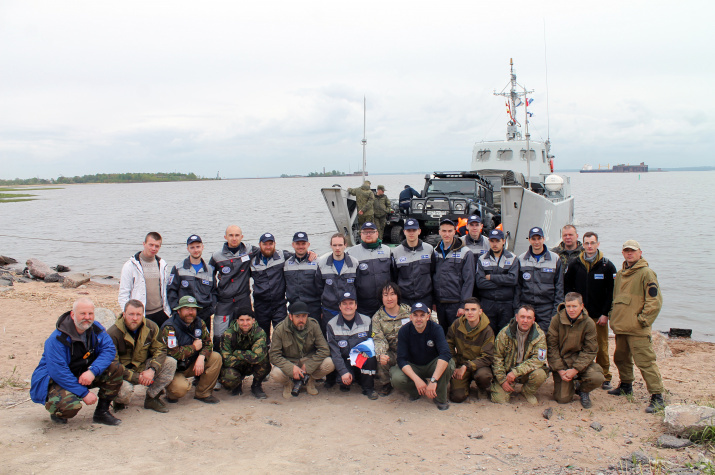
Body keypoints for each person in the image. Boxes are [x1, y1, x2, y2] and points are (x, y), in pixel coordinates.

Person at [30, 298, 123, 425]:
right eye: (82, 313)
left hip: (82, 372)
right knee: (69, 406)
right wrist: (84, 393)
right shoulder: (57, 339)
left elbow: (109, 350)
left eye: (90, 313)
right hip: (56, 379)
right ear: (73, 315)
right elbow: (58, 373)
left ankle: (102, 412)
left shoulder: (96, 329)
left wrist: (93, 371)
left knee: (115, 368)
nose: (87, 317)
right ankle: (57, 411)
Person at [607, 240, 665, 413]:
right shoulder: (620, 274)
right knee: (621, 358)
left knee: (645, 362)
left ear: (640, 252)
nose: (629, 253)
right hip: (621, 326)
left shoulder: (646, 273)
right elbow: (615, 299)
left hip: (637, 328)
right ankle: (626, 385)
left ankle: (657, 396)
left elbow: (654, 301)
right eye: (626, 251)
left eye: (632, 251)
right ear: (623, 253)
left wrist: (643, 320)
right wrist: (613, 316)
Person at [564, 231, 616, 390]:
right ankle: (580, 374)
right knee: (579, 346)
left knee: (601, 347)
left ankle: (605, 376)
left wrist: (605, 313)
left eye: (592, 243)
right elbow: (567, 287)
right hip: (579, 315)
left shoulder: (607, 266)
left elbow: (611, 292)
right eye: (586, 243)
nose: (589, 246)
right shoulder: (575, 264)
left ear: (597, 244)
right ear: (583, 245)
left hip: (598, 315)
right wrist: (571, 309)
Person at [108, 299, 177, 413]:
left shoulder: (151, 327)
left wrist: (152, 369)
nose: (135, 318)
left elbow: (160, 349)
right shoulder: (113, 333)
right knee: (124, 392)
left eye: (138, 314)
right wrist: (137, 377)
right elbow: (113, 364)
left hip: (143, 367)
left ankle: (152, 398)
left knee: (170, 362)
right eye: (131, 314)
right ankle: (119, 402)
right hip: (123, 372)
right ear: (124, 314)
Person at [390, 302, 455, 410]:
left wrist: (433, 380)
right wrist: (417, 380)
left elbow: (445, 354)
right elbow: (401, 359)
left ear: (428, 317)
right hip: (414, 366)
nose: (419, 319)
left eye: (422, 315)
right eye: (415, 315)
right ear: (411, 317)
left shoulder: (436, 329)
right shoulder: (404, 331)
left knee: (449, 364)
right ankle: (417, 390)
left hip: (432, 364)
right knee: (397, 378)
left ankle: (439, 397)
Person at [546, 293, 605, 409]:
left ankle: (583, 389)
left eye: (574, 306)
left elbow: (590, 350)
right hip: (562, 363)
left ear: (581, 306)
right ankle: (570, 385)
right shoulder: (556, 320)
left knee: (597, 378)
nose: (571, 310)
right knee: (563, 399)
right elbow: (551, 347)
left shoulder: (589, 323)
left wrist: (576, 369)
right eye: (568, 306)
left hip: (580, 361)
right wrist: (559, 370)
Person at [161, 296, 222, 404]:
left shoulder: (199, 323)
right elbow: (173, 353)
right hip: (174, 368)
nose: (190, 312)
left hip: (191, 363)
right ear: (179, 311)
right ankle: (169, 392)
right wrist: (193, 347)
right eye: (186, 309)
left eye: (193, 309)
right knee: (179, 390)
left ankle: (203, 393)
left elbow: (208, 344)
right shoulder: (170, 327)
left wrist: (201, 357)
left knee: (216, 357)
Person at [269, 301, 335, 399]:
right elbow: (274, 356)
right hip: (290, 361)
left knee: (330, 363)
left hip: (308, 359)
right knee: (276, 373)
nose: (301, 320)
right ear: (290, 316)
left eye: (304, 316)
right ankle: (289, 384)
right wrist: (291, 368)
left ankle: (309, 381)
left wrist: (309, 365)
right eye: (297, 316)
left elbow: (324, 349)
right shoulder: (280, 329)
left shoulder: (313, 325)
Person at [209, 225, 259, 348]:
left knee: (246, 331)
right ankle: (219, 357)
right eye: (231, 235)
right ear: (225, 237)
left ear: (242, 237)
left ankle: (246, 356)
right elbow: (208, 277)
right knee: (219, 335)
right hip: (224, 301)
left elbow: (268, 249)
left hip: (243, 299)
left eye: (237, 235)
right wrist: (213, 297)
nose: (234, 238)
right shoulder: (216, 256)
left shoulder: (250, 250)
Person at [490, 305, 548, 405]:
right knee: (499, 400)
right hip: (507, 373)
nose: (525, 321)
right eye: (522, 317)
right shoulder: (505, 333)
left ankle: (527, 392)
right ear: (516, 318)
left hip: (526, 372)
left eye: (529, 318)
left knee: (540, 374)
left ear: (533, 320)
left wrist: (516, 372)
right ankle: (501, 387)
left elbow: (539, 359)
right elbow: (497, 358)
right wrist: (502, 380)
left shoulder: (539, 335)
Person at [326, 292, 378, 399]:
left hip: (361, 359)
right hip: (345, 360)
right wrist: (343, 371)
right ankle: (347, 376)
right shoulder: (331, 324)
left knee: (371, 358)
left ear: (356, 305)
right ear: (340, 307)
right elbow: (335, 353)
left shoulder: (367, 321)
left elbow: (372, 342)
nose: (348, 306)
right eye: (344, 304)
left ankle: (368, 388)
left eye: (351, 303)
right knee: (343, 382)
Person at [118, 231, 172, 327]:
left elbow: (165, 289)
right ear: (144, 244)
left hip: (161, 313)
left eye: (157, 246)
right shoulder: (130, 265)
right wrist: (128, 314)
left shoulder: (162, 264)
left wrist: (167, 312)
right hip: (140, 315)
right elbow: (123, 294)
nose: (153, 248)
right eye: (151, 245)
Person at [446, 297, 495, 403]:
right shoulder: (457, 324)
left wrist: (467, 366)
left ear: (480, 311)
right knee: (457, 397)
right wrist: (453, 364)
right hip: (460, 364)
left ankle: (482, 388)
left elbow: (488, 357)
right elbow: (449, 345)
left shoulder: (487, 331)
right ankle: (464, 386)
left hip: (479, 366)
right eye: (467, 310)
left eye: (473, 309)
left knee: (484, 376)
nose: (470, 313)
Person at [517, 227, 564, 333]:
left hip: (546, 308)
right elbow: (517, 287)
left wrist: (556, 311)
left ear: (543, 239)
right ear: (529, 240)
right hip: (526, 307)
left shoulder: (555, 259)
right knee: (525, 336)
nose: (536, 242)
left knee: (546, 336)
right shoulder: (521, 259)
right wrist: (517, 309)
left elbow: (559, 287)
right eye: (533, 239)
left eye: (539, 238)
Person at [432, 217, 475, 334]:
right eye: (444, 231)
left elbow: (469, 281)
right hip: (440, 303)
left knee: (458, 336)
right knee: (442, 335)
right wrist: (434, 301)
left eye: (450, 231)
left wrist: (463, 305)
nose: (447, 234)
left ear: (454, 232)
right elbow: (432, 277)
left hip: (456, 304)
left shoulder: (465, 253)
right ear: (439, 232)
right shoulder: (435, 252)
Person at [167, 234, 217, 330]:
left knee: (204, 339)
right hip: (184, 316)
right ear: (188, 249)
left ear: (202, 247)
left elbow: (214, 292)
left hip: (204, 315)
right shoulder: (178, 268)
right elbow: (171, 291)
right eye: (192, 247)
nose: (195, 250)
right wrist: (176, 311)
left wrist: (211, 310)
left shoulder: (210, 270)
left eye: (198, 247)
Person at [371, 282, 413, 396]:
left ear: (397, 296)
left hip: (409, 352)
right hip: (392, 353)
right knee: (380, 356)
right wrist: (381, 354)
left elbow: (426, 322)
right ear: (381, 298)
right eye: (385, 295)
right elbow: (378, 339)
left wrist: (430, 313)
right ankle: (385, 383)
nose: (389, 298)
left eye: (392, 294)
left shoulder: (409, 312)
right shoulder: (377, 318)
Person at [219, 309, 270, 399]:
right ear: (237, 321)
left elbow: (257, 357)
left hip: (252, 364)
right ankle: (237, 385)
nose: (245, 323)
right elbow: (226, 360)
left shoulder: (259, 333)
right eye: (242, 320)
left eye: (248, 320)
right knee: (228, 379)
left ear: (253, 320)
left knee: (264, 361)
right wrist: (247, 357)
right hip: (236, 366)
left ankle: (256, 385)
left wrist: (237, 353)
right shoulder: (228, 334)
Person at [476, 229, 519, 334]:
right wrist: (504, 284)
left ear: (503, 241)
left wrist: (491, 277)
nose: (495, 244)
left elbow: (513, 280)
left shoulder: (513, 258)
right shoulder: (482, 259)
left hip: (506, 304)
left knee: (505, 335)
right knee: (488, 334)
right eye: (492, 241)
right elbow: (480, 282)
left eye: (497, 241)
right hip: (488, 303)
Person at [315, 233, 359, 336]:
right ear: (331, 246)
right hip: (329, 310)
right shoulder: (322, 264)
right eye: (334, 245)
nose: (337, 248)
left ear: (345, 245)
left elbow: (358, 287)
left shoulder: (354, 263)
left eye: (340, 245)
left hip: (349, 310)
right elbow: (319, 287)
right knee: (329, 337)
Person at [347, 222, 394, 317]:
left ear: (377, 233)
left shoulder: (387, 250)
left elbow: (394, 275)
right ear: (361, 234)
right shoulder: (351, 253)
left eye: (371, 232)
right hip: (363, 305)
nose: (368, 234)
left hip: (385, 302)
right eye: (365, 232)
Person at [391, 218, 434, 308]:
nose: (411, 233)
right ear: (404, 232)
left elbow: (433, 273)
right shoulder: (396, 252)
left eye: (414, 230)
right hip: (404, 299)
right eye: (408, 230)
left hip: (425, 298)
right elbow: (394, 277)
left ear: (419, 231)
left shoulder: (429, 249)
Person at [284, 232, 322, 323]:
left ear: (308, 244)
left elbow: (322, 286)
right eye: (297, 244)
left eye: (303, 243)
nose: (300, 246)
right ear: (293, 245)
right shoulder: (286, 263)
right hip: (294, 307)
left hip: (313, 307)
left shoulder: (317, 262)